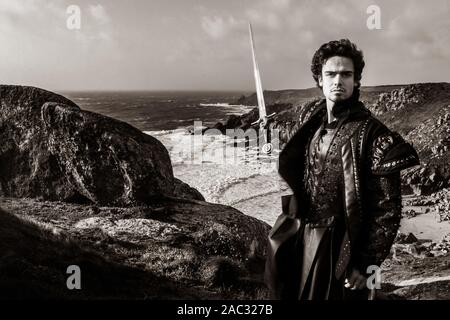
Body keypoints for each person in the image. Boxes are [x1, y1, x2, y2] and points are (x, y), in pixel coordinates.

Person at [264, 39, 420, 300]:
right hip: (300, 236)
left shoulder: (375, 135)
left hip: (341, 247)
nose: (338, 81)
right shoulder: (310, 122)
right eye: (331, 74)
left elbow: (387, 208)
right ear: (319, 80)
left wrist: (366, 263)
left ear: (356, 80)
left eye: (346, 74)